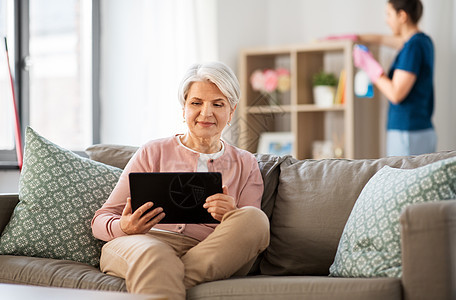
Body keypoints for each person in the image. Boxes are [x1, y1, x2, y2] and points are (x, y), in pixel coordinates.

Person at [91, 62, 270, 300]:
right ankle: (162, 271)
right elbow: (99, 221)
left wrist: (231, 213)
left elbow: (250, 232)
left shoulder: (246, 163)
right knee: (155, 255)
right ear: (183, 108)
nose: (206, 113)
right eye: (196, 103)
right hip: (144, 244)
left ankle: (162, 276)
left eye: (218, 104)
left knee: (255, 219)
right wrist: (125, 227)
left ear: (231, 112)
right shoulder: (152, 152)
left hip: (209, 251)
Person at [353, 0, 436, 156]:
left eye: (389, 15)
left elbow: (396, 94)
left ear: (402, 16)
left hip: (408, 131)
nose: (387, 20)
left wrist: (370, 66)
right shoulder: (422, 41)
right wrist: (356, 37)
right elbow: (383, 39)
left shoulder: (413, 46)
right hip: (417, 130)